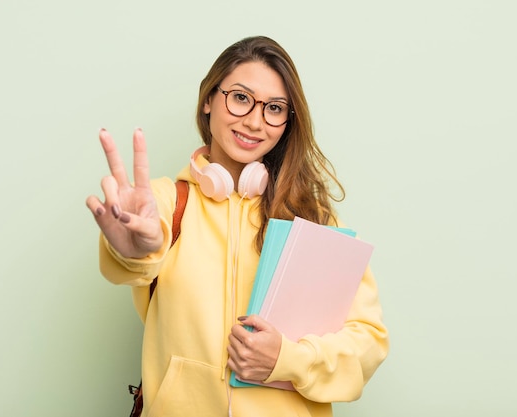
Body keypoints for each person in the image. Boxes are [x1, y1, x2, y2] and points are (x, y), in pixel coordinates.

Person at [86, 35, 388, 417]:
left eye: (274, 108)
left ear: (287, 123)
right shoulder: (166, 203)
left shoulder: (314, 220)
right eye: (241, 98)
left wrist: (289, 359)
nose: (254, 121)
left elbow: (368, 342)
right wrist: (131, 250)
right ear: (209, 99)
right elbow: (135, 258)